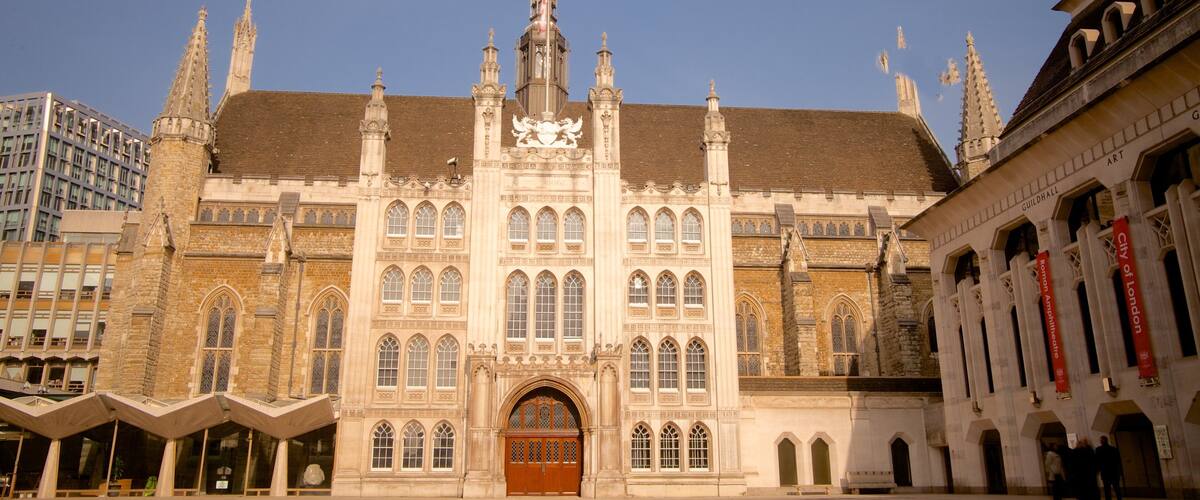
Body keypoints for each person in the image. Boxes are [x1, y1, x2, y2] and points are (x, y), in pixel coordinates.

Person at [1096, 435, 1123, 500]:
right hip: (1114, 472)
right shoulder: (1114, 449)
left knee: (1107, 490)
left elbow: (1097, 461)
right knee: (1117, 488)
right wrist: (1120, 471)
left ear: (1101, 442)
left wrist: (1098, 470)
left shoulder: (1098, 450)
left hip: (1105, 472)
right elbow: (1118, 461)